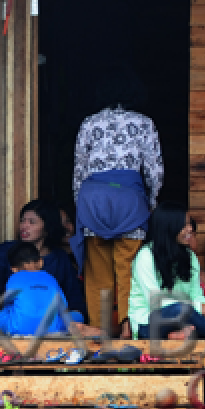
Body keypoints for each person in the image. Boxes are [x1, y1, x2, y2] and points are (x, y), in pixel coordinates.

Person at [72, 68, 164, 335]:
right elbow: (155, 170)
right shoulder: (144, 123)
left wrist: (81, 206)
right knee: (129, 271)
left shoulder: (89, 123)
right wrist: (151, 203)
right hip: (129, 199)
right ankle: (130, 329)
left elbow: (79, 170)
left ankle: (99, 333)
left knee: (98, 274)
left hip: (94, 198)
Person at [128, 206, 205, 340]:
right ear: (169, 227)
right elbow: (156, 301)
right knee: (181, 310)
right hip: (148, 324)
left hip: (187, 315)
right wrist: (200, 307)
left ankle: (178, 333)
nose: (190, 229)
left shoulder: (190, 256)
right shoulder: (145, 256)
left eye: (190, 224)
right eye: (185, 225)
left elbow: (195, 295)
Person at [0, 199, 86, 322]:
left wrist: (77, 316)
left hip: (50, 321)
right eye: (22, 221)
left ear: (47, 228)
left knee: (78, 317)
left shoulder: (60, 258)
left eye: (32, 222)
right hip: (17, 318)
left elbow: (73, 297)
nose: (24, 226)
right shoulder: (7, 251)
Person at [0, 242, 101, 337]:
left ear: (13, 269)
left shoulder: (14, 278)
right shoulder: (51, 278)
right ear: (41, 262)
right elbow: (63, 307)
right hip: (52, 330)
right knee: (77, 315)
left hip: (19, 330)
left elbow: (7, 303)